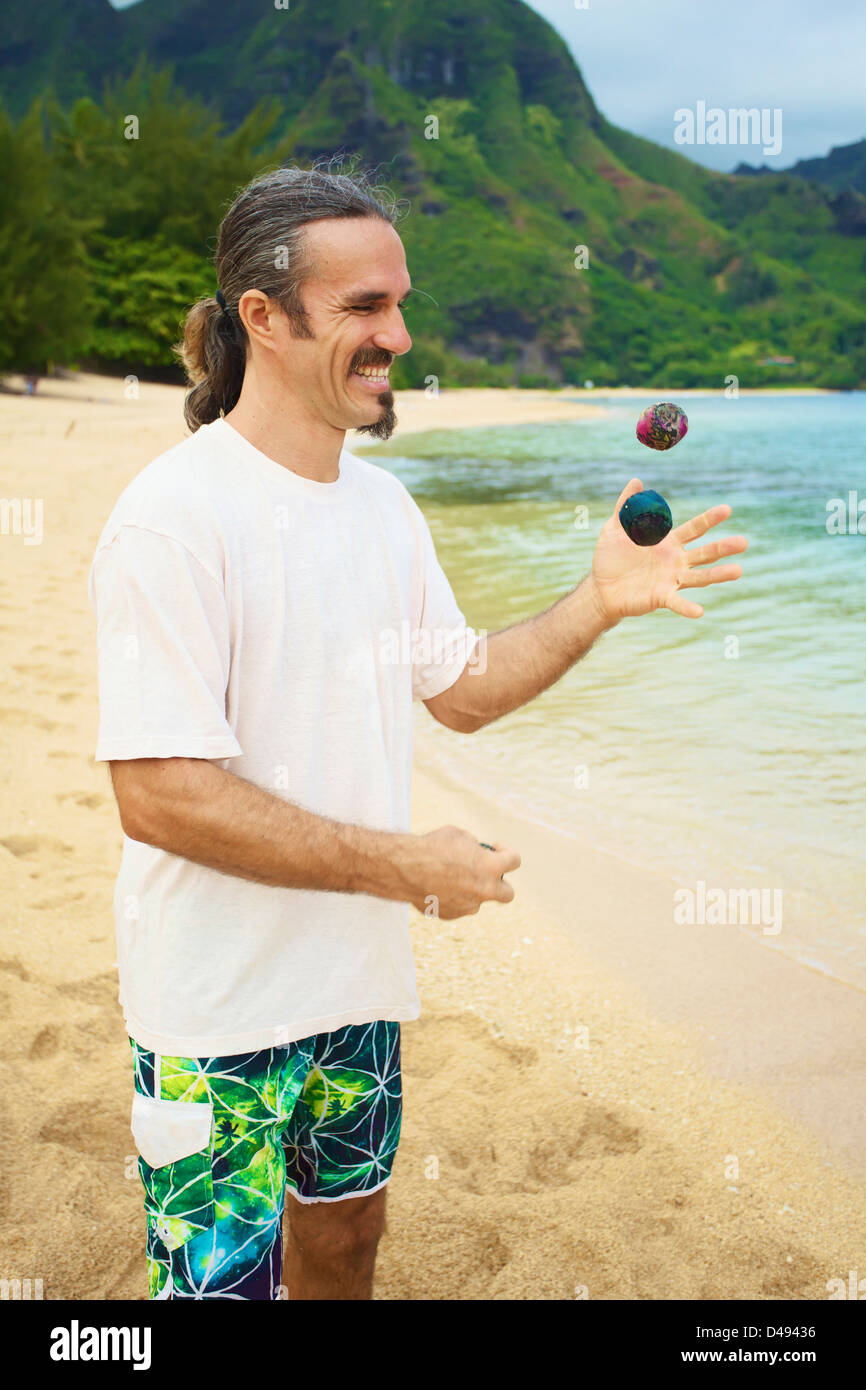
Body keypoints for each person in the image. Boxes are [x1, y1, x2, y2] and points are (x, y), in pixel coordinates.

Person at [88, 160, 746, 1301]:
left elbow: (464, 688)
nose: (396, 333)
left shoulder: (382, 509)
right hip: (214, 1013)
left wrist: (596, 601)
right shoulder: (173, 517)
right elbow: (160, 793)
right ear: (262, 317)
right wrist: (406, 867)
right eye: (362, 307)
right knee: (217, 1293)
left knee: (344, 1247)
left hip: (356, 997)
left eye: (399, 303)